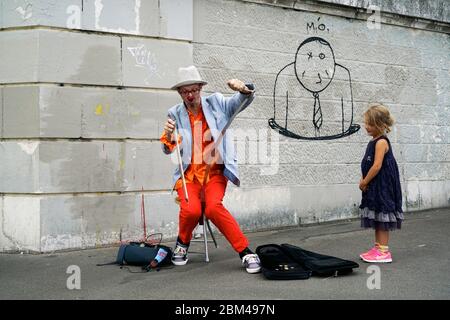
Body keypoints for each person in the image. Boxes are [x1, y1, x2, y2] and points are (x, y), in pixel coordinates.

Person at [160, 65, 261, 273]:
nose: (190, 95)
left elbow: (240, 102)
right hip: (189, 176)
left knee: (214, 207)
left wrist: (243, 89)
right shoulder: (175, 113)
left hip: (214, 174)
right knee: (191, 210)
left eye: (194, 90)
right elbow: (168, 149)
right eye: (185, 91)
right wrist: (169, 136)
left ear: (200, 88)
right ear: (180, 93)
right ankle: (182, 243)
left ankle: (246, 252)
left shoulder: (216, 103)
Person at [359, 103, 403, 263]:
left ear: (381, 125)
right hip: (375, 185)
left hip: (382, 185)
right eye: (366, 123)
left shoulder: (381, 142)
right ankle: (378, 247)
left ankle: (384, 251)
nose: (366, 127)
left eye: (370, 124)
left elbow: (377, 166)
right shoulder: (374, 141)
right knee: (378, 215)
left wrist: (365, 181)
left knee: (383, 215)